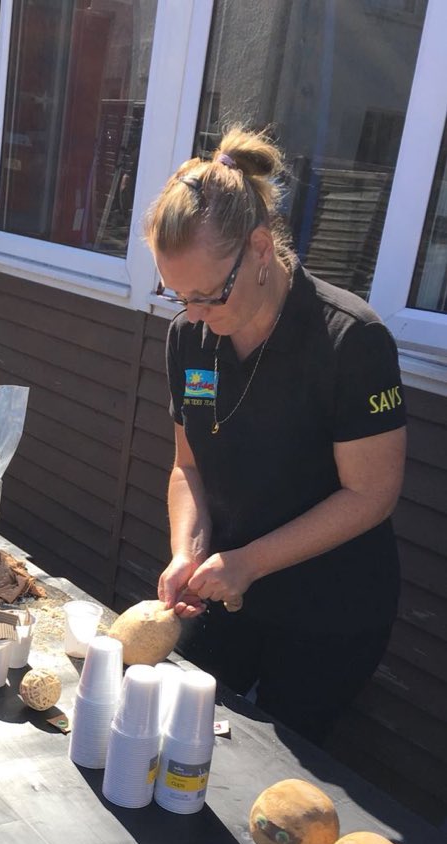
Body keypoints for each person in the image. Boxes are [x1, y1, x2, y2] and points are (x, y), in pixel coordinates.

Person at [143, 127, 407, 746]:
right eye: (179, 296)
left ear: (260, 249)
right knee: (187, 740)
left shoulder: (351, 341)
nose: (196, 313)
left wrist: (247, 563)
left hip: (328, 611)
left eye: (210, 294)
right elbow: (188, 468)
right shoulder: (190, 338)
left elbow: (372, 494)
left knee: (278, 768)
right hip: (227, 588)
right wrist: (188, 548)